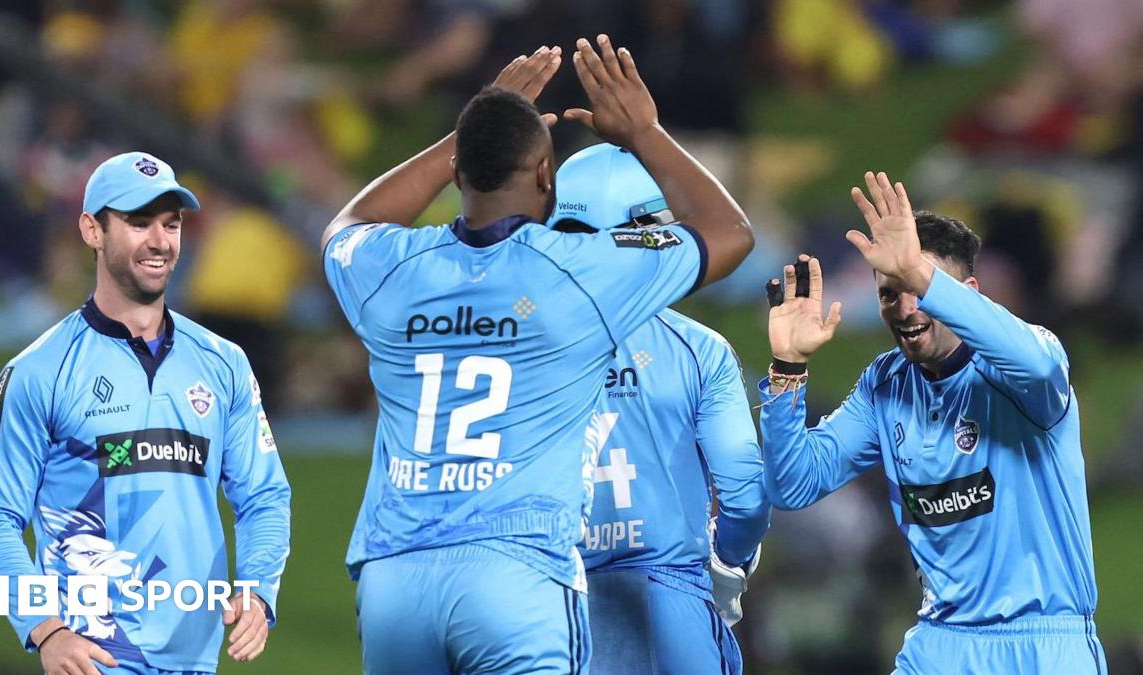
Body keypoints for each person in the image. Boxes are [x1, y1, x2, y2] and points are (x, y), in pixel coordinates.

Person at [321, 37, 753, 674]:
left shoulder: (392, 270)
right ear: (548, 173)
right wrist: (645, 131)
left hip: (394, 578)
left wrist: (466, 136)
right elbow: (730, 233)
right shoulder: (579, 276)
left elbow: (345, 226)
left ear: (459, 171)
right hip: (515, 573)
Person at [759, 171, 1106, 674]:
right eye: (888, 293)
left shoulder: (1023, 365)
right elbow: (792, 485)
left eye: (918, 288)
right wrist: (788, 368)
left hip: (1043, 643)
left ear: (964, 292)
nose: (904, 309)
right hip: (940, 644)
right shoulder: (885, 385)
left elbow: (1040, 367)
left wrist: (921, 277)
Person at [0, 152, 292, 674]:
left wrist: (258, 590)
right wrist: (46, 631)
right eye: (139, 223)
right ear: (91, 230)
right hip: (97, 657)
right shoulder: (36, 372)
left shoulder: (224, 363)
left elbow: (265, 495)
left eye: (172, 224)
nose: (160, 241)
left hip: (195, 659)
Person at [547, 142, 769, 675]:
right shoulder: (700, 349)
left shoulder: (519, 345)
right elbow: (742, 495)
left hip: (550, 614)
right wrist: (726, 572)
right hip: (673, 607)